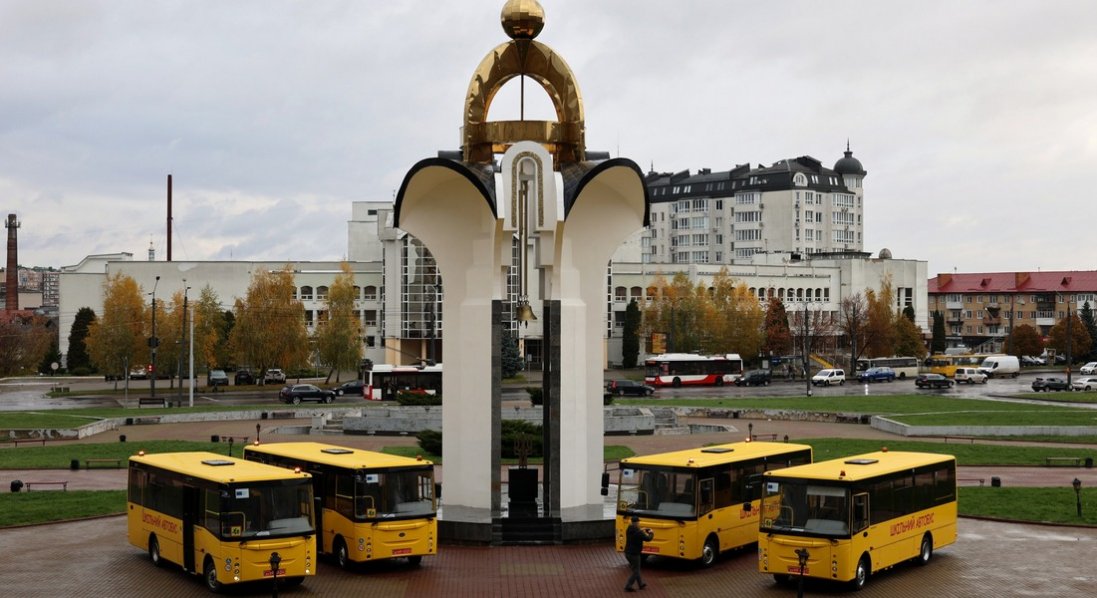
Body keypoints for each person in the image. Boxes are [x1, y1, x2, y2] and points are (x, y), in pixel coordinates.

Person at [623, 515, 654, 592]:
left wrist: (641, 530)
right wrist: (651, 533)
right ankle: (628, 585)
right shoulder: (638, 532)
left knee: (635, 569)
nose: (639, 523)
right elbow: (648, 538)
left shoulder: (629, 529)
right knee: (636, 571)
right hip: (634, 554)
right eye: (638, 522)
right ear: (636, 522)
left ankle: (640, 584)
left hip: (627, 553)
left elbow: (637, 532)